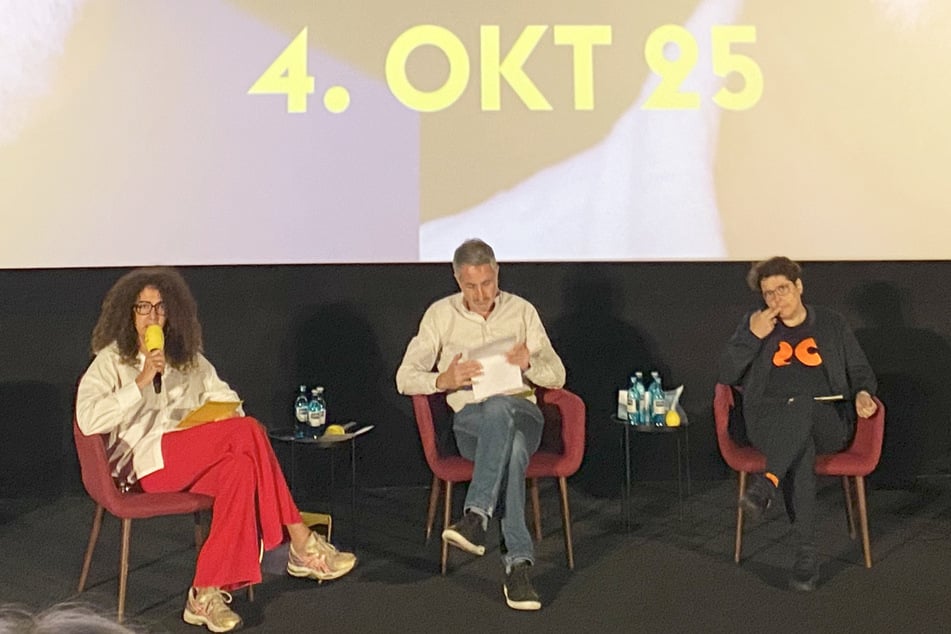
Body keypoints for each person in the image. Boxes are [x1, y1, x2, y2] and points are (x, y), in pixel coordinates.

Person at [76, 267, 356, 632]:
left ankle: (205, 594)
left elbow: (227, 400)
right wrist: (141, 381)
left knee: (240, 467)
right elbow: (87, 420)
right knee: (247, 432)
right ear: (128, 314)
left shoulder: (186, 358)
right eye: (143, 308)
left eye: (160, 308)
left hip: (192, 459)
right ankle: (299, 539)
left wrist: (210, 422)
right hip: (146, 466)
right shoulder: (111, 360)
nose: (152, 316)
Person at [396, 239, 566, 611]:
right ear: (457, 280)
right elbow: (404, 377)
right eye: (470, 286)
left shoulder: (521, 311)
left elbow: (558, 375)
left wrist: (529, 365)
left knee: (503, 405)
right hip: (472, 423)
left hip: (524, 412)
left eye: (487, 283)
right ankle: (518, 566)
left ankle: (476, 514)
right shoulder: (440, 316)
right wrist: (445, 379)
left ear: (497, 273)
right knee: (514, 448)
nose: (480, 294)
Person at [718, 256, 878, 591]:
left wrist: (863, 394)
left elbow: (861, 372)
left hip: (828, 421)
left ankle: (766, 485)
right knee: (800, 447)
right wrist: (751, 337)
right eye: (769, 293)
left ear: (799, 287)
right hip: (769, 421)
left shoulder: (831, 323)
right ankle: (807, 557)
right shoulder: (755, 324)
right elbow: (727, 376)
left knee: (803, 407)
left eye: (783, 289)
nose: (777, 299)